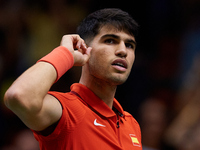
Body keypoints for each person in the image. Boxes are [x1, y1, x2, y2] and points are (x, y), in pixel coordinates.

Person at [4, 8, 141, 150]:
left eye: (129, 45)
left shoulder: (132, 124)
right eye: (110, 41)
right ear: (84, 48)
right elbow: (18, 95)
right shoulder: (67, 111)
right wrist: (65, 54)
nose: (123, 51)